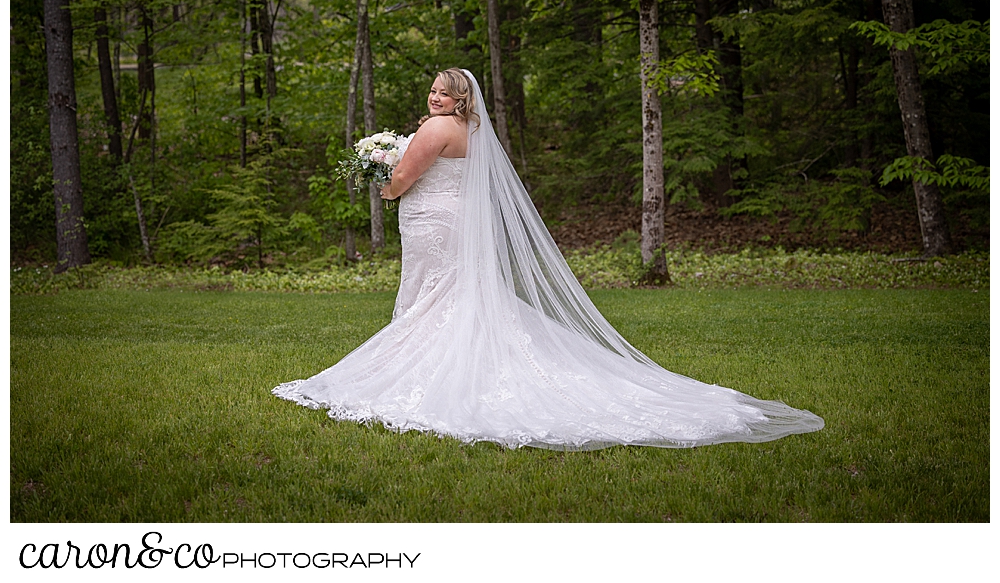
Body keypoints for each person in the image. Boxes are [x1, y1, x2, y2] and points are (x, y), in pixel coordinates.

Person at [273, 69, 824, 450]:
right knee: (456, 294)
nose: (435, 98)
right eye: (433, 92)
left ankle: (424, 369)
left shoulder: (435, 129)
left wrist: (379, 169)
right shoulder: (472, 130)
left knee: (432, 297)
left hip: (433, 223)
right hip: (455, 222)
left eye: (444, 93)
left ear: (461, 98)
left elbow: (399, 184)